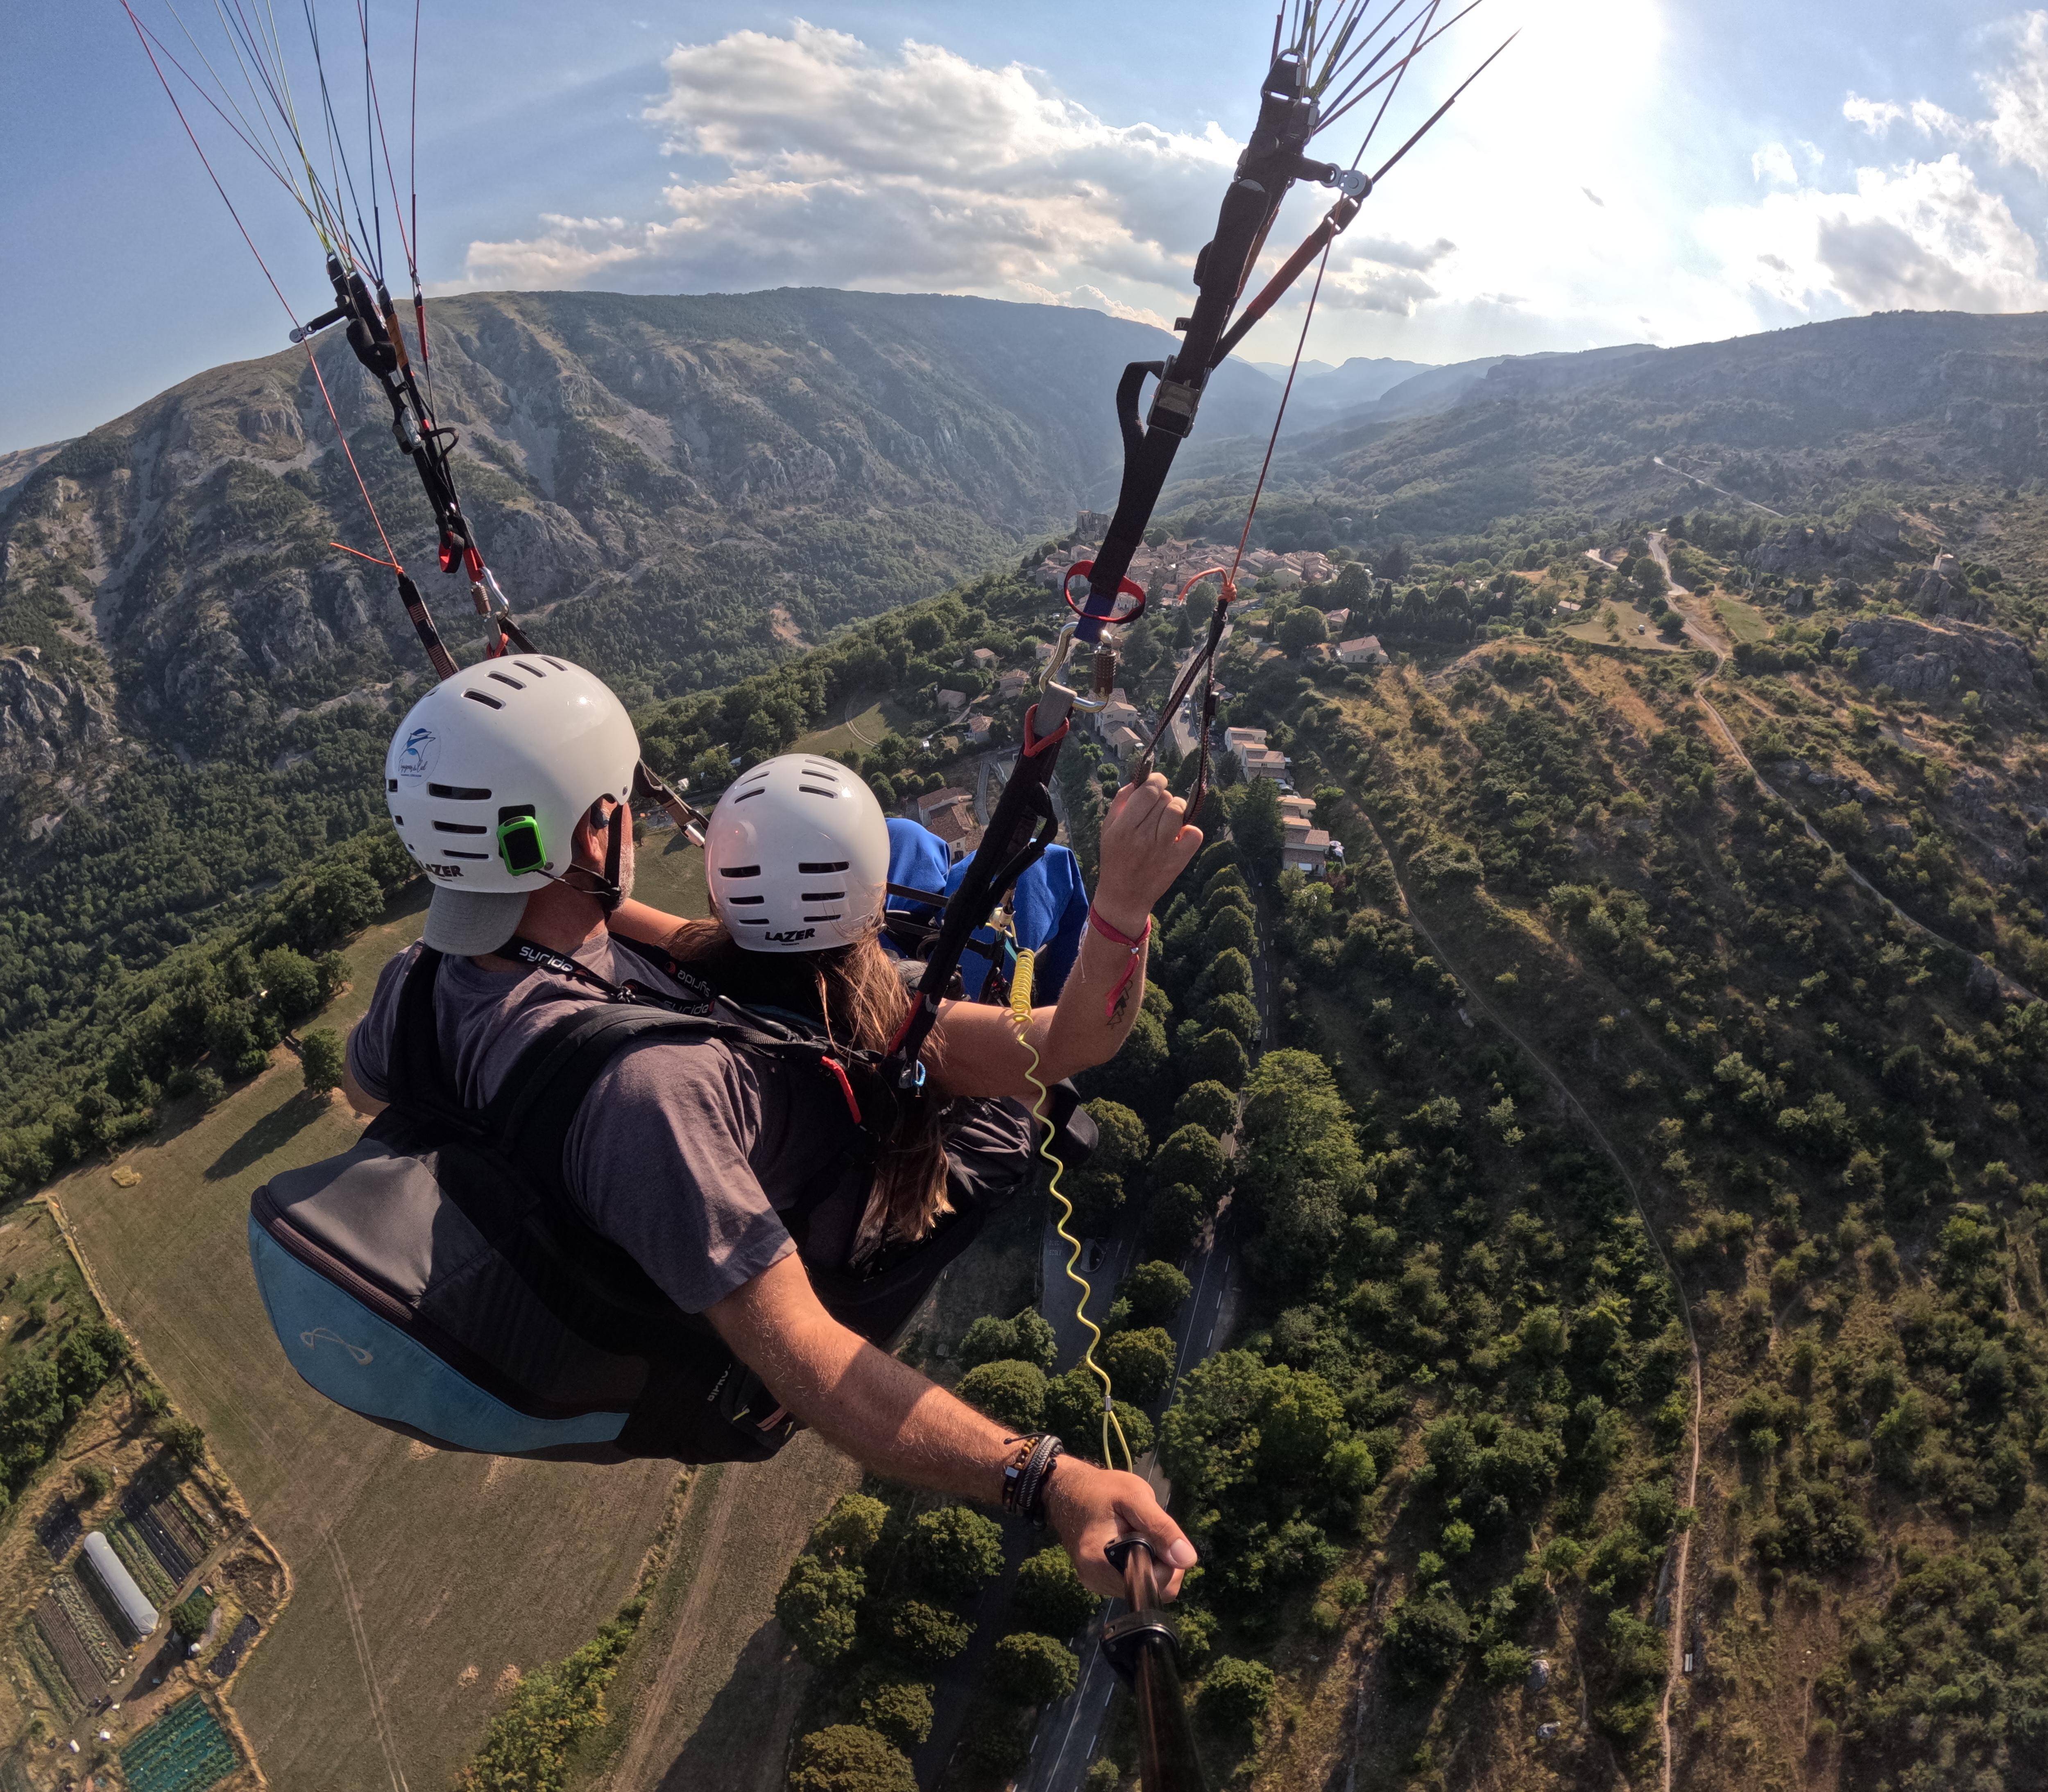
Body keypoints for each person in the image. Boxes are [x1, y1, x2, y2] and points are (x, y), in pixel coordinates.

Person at [343, 656, 1202, 1598]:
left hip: (578, 1081)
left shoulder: (415, 989)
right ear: (598, 827)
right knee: (988, 1097)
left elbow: (371, 1083)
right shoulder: (650, 1096)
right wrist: (1048, 1479)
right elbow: (809, 1363)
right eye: (620, 797)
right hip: (754, 1294)